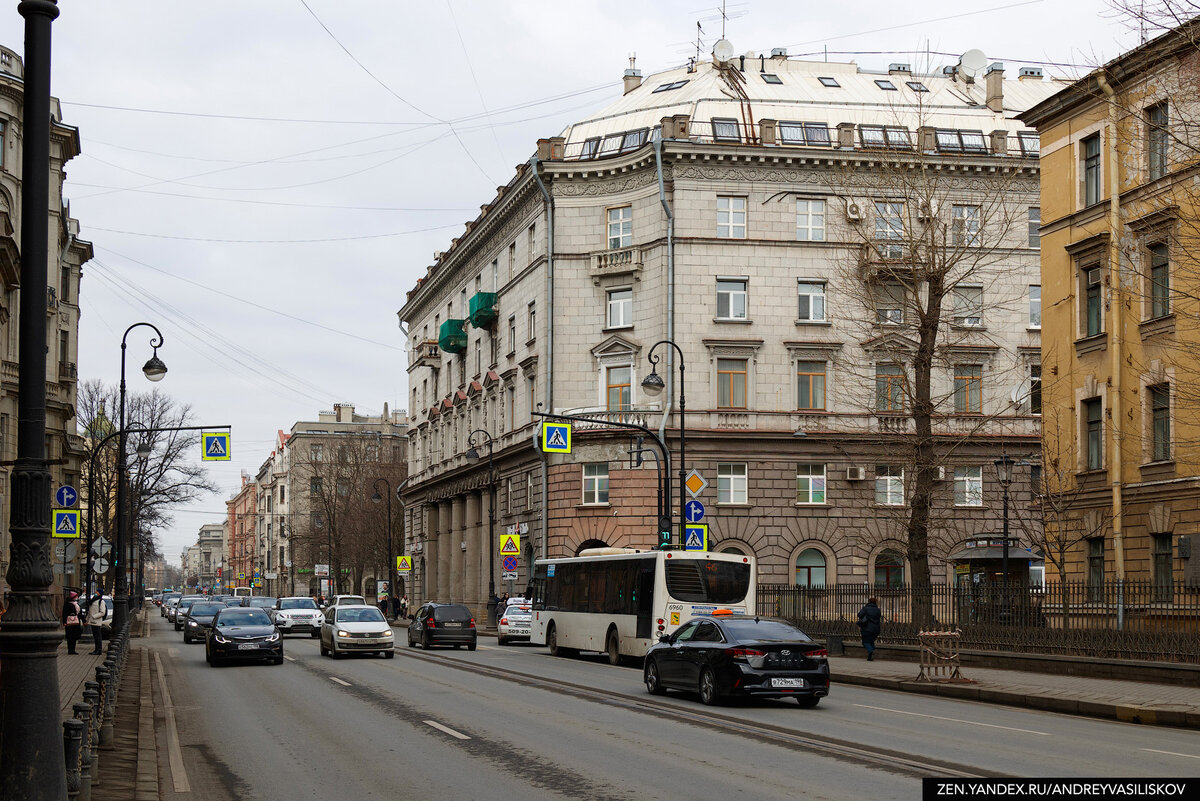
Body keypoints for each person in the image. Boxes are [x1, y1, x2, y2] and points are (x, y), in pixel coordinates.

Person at [857, 596, 882, 661]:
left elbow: (859, 615)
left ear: (869, 602)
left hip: (866, 628)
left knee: (865, 642)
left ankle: (871, 651)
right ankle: (870, 655)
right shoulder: (878, 610)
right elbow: (878, 616)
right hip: (876, 629)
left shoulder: (866, 608)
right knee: (871, 641)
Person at [85, 591, 107, 655]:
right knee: (95, 636)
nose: (95, 592)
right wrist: (87, 619)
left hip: (97, 621)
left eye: (97, 592)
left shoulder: (101, 601)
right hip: (92, 621)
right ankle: (96, 649)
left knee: (98, 636)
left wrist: (94, 616)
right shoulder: (93, 600)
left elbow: (102, 612)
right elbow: (90, 611)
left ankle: (99, 650)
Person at [62, 590, 83, 654]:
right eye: (76, 596)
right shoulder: (67, 604)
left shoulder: (76, 604)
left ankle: (73, 649)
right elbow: (64, 613)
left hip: (76, 622)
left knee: (74, 636)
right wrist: (64, 622)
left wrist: (84, 620)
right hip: (69, 622)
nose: (77, 598)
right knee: (70, 637)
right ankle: (70, 650)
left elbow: (79, 614)